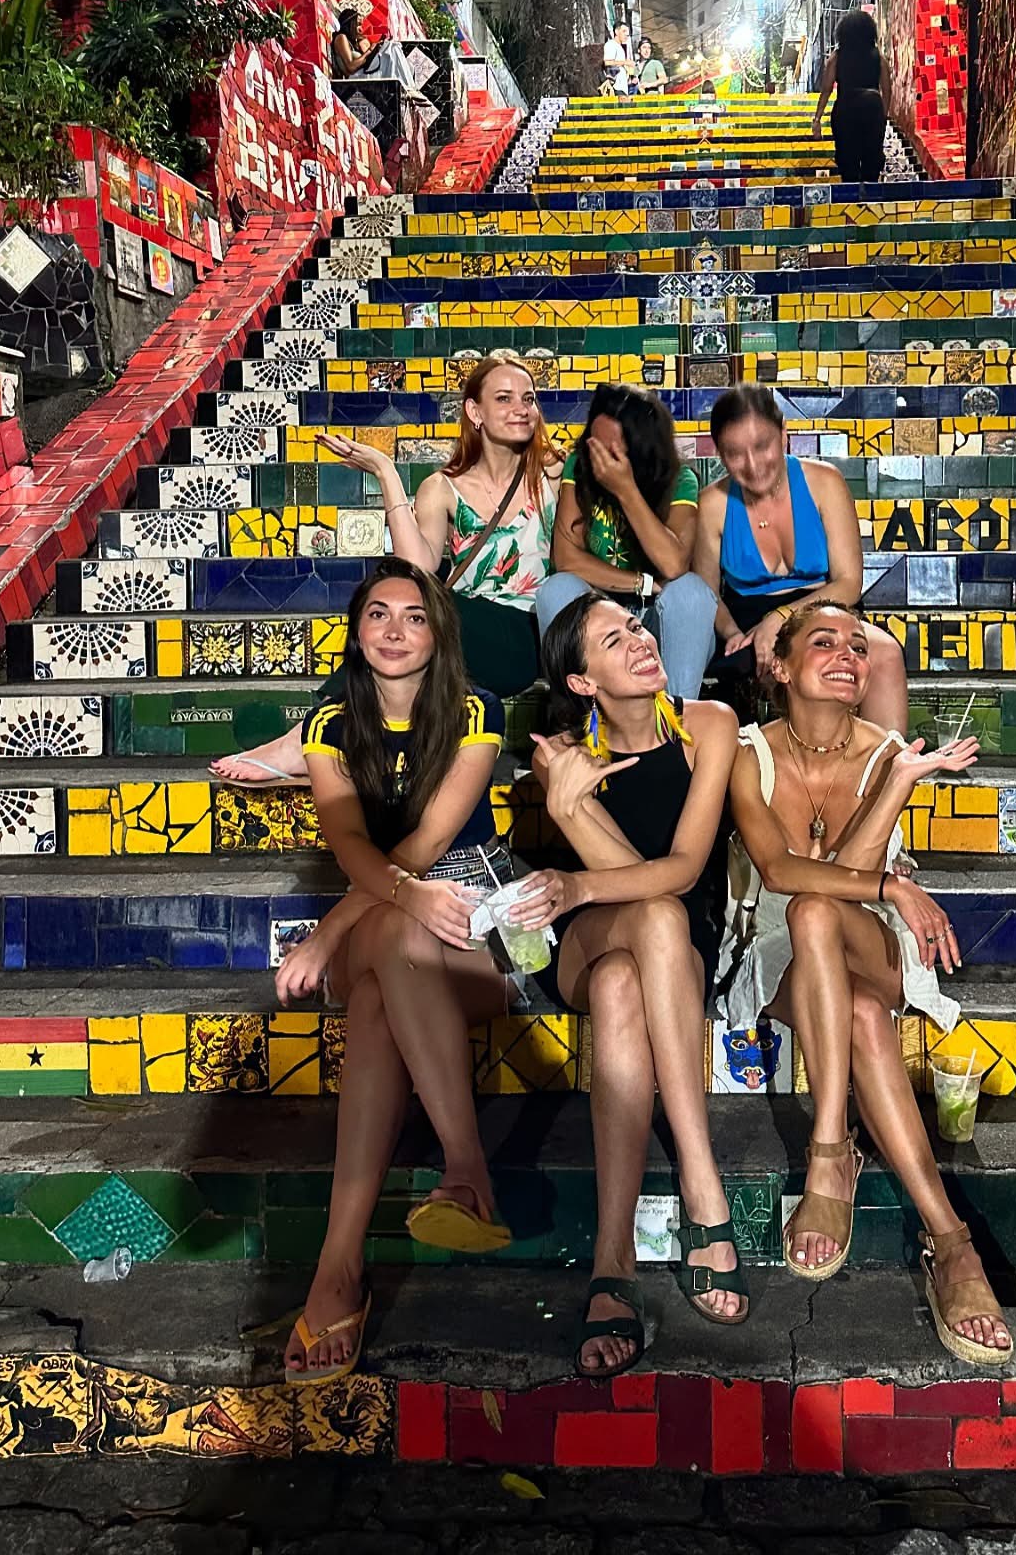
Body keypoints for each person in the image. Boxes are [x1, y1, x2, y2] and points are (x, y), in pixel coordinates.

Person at [276, 557, 560, 1383]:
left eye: (414, 616)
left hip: (475, 908)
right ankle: (465, 1172)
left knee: (372, 1002)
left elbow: (433, 842)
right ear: (356, 631)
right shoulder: (330, 722)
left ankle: (338, 1271)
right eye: (378, 615)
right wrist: (377, 907)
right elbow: (350, 846)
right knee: (397, 935)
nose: (395, 631)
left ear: (438, 635)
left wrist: (325, 936)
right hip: (382, 904)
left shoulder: (476, 708)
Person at [723, 601, 1013, 1365]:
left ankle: (831, 1149)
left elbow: (843, 879)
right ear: (781, 667)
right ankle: (951, 1242)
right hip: (782, 949)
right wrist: (892, 886)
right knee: (847, 994)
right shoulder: (745, 752)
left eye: (858, 646)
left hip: (868, 938)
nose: (849, 656)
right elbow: (780, 873)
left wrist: (897, 785)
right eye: (824, 643)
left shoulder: (888, 752)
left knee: (823, 913)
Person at [530, 592, 749, 1375]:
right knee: (643, 928)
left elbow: (682, 871)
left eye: (636, 627)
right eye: (613, 640)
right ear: (582, 682)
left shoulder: (709, 727)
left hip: (671, 942)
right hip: (585, 945)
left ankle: (612, 1263)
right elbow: (635, 880)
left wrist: (577, 870)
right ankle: (702, 1185)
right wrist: (567, 805)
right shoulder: (560, 752)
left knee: (637, 962)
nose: (640, 641)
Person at [210, 355, 559, 786]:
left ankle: (304, 740)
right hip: (459, 631)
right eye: (504, 399)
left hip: (524, 637)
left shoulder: (552, 475)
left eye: (529, 399)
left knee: (420, 613)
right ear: (475, 411)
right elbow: (416, 569)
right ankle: (336, 741)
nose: (521, 409)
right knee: (395, 611)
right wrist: (386, 472)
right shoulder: (442, 487)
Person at [692, 384, 909, 735]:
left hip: (823, 606)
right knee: (780, 663)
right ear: (719, 454)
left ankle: (889, 765)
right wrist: (733, 633)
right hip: (747, 622)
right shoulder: (712, 504)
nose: (752, 465)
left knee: (884, 652)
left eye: (762, 446)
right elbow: (705, 594)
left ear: (783, 435)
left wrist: (779, 618)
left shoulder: (825, 482)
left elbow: (849, 583)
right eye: (735, 454)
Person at [536, 384, 719, 701]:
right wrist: (640, 583)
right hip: (600, 613)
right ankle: (580, 717)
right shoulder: (579, 466)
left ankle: (677, 716)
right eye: (595, 444)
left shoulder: (680, 480)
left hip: (660, 621)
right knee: (557, 588)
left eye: (613, 452)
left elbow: (673, 565)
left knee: (691, 592)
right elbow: (566, 558)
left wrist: (625, 490)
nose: (600, 460)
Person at [810, 9, 891, 183]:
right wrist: (882, 116)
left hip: (846, 109)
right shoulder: (878, 57)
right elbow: (887, 89)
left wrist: (817, 119)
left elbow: (826, 89)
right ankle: (870, 191)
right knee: (871, 160)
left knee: (848, 161)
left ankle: (850, 193)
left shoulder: (836, 57)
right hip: (872, 107)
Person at [331, 6, 425, 99]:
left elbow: (366, 60)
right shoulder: (341, 38)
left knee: (403, 60)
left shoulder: (355, 42)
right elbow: (350, 67)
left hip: (365, 75)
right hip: (356, 80)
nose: (361, 29)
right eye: (358, 25)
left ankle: (408, 89)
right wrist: (371, 50)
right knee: (392, 47)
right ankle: (408, 88)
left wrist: (374, 48)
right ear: (351, 24)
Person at [601, 21, 633, 96]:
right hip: (615, 88)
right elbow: (607, 62)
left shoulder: (620, 47)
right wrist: (625, 62)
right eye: (624, 31)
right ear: (616, 32)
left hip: (622, 88)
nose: (626, 34)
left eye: (627, 32)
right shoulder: (611, 44)